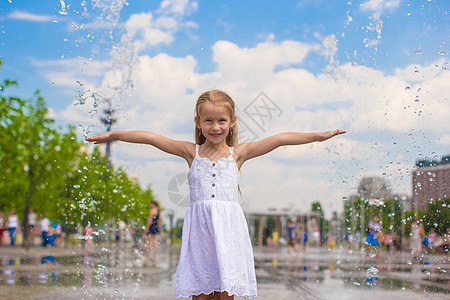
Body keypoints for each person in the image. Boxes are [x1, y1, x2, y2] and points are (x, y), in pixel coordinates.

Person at [86, 89, 345, 300]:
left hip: (228, 232)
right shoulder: (191, 153)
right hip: (199, 233)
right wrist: (113, 134)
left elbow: (279, 139)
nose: (215, 127)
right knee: (200, 292)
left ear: (232, 122)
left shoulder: (238, 154)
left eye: (221, 120)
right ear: (197, 122)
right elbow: (152, 138)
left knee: (225, 292)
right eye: (208, 120)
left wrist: (318, 137)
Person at [142, 200, 162, 267]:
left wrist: (146, 229)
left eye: (150, 204)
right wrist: (160, 229)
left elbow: (150, 220)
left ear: (153, 204)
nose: (149, 205)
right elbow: (159, 220)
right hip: (156, 228)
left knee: (148, 243)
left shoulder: (152, 210)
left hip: (151, 227)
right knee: (155, 243)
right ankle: (154, 257)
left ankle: (145, 257)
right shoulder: (158, 210)